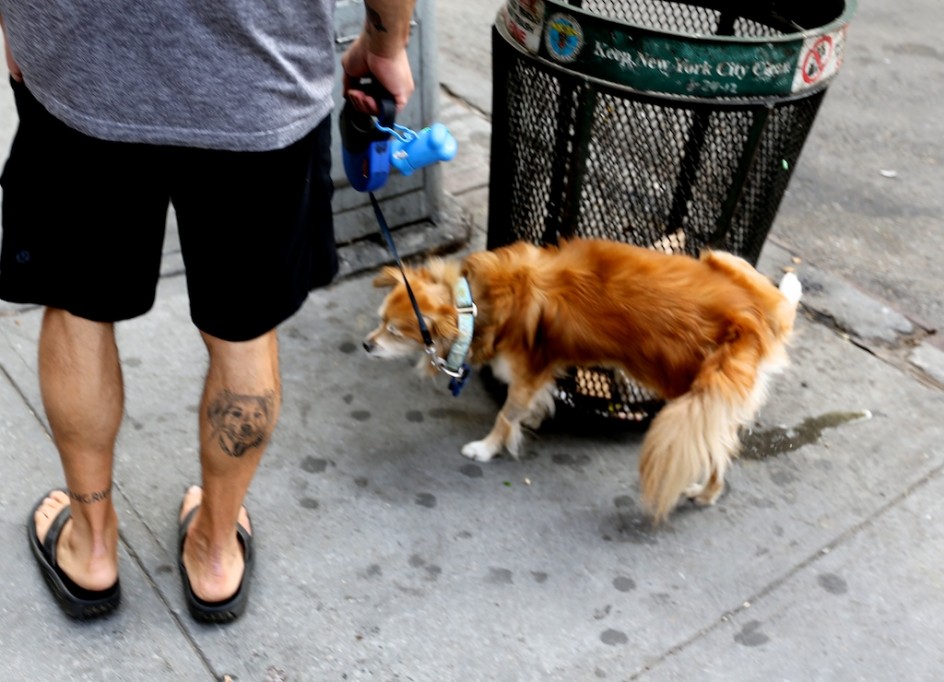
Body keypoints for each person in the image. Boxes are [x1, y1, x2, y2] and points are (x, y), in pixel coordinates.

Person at [0, 0, 416, 622]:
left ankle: (90, 547)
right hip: (258, 73)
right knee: (243, 329)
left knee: (80, 305)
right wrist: (384, 45)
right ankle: (216, 553)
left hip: (78, 59)